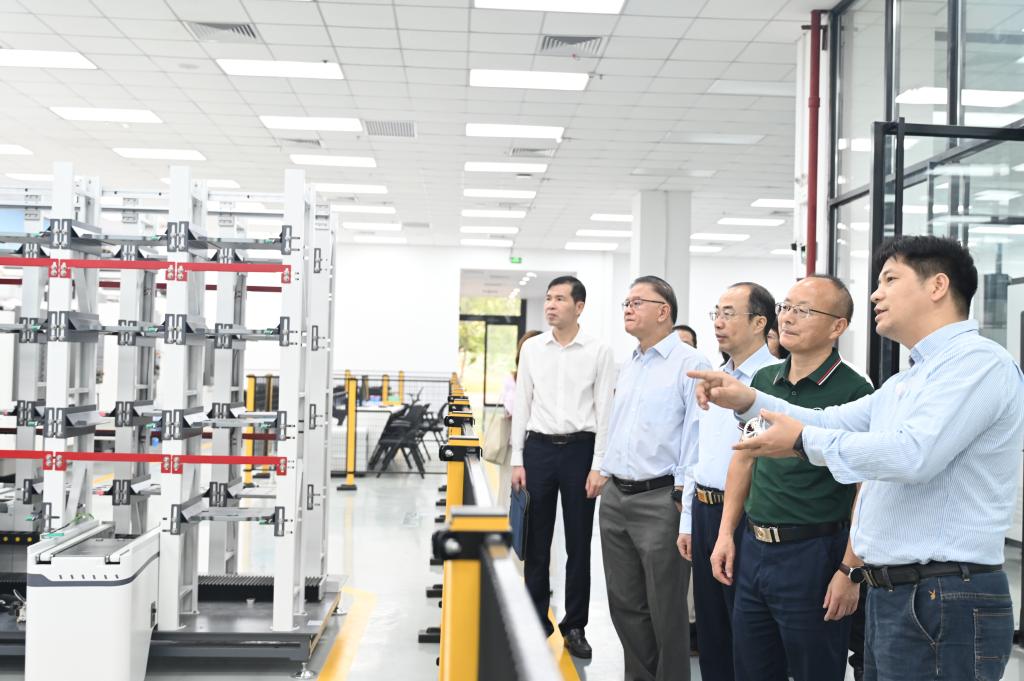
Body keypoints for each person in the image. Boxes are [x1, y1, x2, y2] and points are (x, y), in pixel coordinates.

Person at [690, 236, 1024, 681]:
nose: (875, 295)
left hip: (944, 594)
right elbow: (829, 419)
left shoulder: (978, 363)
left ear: (938, 286)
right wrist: (748, 399)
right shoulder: (909, 380)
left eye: (890, 280)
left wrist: (802, 441)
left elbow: (912, 455)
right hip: (901, 592)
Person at [710, 275, 871, 681]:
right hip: (755, 548)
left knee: (815, 670)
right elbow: (744, 459)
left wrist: (850, 569)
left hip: (815, 553)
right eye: (786, 307)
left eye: (804, 310)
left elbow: (866, 488)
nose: (788, 318)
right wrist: (726, 533)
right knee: (752, 669)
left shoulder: (856, 391)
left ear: (837, 326)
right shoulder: (765, 381)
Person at [599, 275, 710, 681]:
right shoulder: (630, 364)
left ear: (663, 311)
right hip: (616, 497)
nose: (628, 309)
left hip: (661, 499)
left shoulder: (692, 364)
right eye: (626, 303)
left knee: (665, 609)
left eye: (637, 302)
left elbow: (696, 441)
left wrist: (685, 507)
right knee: (625, 605)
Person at [509, 276, 616, 658]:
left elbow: (605, 411)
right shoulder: (533, 349)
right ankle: (536, 620)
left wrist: (599, 465)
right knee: (535, 542)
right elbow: (522, 403)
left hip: (580, 452)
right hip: (538, 449)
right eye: (548, 299)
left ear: (579, 306)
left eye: (559, 299)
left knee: (578, 544)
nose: (550, 305)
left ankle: (575, 626)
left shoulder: (600, 351)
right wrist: (517, 458)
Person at [677, 282, 778, 681]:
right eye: (716, 314)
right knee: (711, 630)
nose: (718, 323)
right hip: (704, 511)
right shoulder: (713, 378)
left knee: (747, 633)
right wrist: (688, 520)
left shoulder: (772, 381)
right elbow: (695, 452)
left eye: (729, 314)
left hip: (745, 515)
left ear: (759, 322)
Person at [495, 329, 541, 510]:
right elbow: (512, 407)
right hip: (514, 446)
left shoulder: (545, 380)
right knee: (508, 491)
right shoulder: (513, 378)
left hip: (537, 447)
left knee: (531, 496)